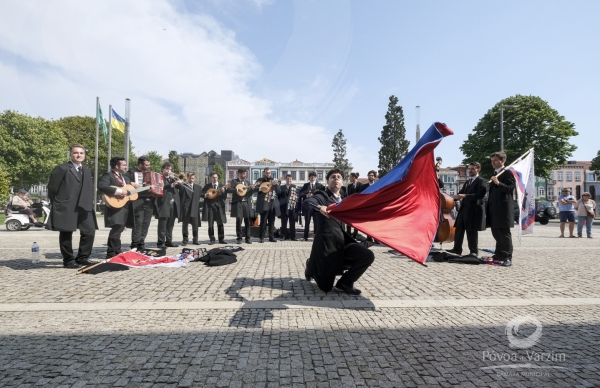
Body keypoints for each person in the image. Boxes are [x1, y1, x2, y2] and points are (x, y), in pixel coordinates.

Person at [304, 168, 375, 295]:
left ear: (342, 182)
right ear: (327, 181)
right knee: (326, 287)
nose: (336, 179)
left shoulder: (346, 200)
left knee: (367, 255)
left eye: (339, 177)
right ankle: (312, 266)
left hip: (342, 242)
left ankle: (345, 283)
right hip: (327, 246)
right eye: (333, 177)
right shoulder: (322, 195)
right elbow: (308, 202)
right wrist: (320, 207)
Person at [46, 144, 98, 268]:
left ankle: (83, 257)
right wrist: (59, 202)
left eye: (81, 153)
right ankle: (68, 260)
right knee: (66, 233)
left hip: (84, 206)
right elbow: (52, 189)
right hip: (66, 206)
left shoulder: (85, 170)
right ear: (70, 154)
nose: (79, 155)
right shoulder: (62, 168)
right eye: (76, 153)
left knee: (89, 231)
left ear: (84, 155)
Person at [447, 162, 487, 256]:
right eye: (469, 169)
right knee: (459, 229)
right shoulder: (467, 182)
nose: (470, 171)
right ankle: (457, 249)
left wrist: (465, 195)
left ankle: (473, 251)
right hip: (463, 209)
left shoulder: (481, 181)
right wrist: (451, 197)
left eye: (472, 169)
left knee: (471, 231)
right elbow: (460, 194)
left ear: (478, 169)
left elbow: (480, 195)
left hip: (473, 210)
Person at [98, 157, 134, 258]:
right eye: (124, 165)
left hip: (124, 207)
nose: (126, 167)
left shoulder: (125, 178)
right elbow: (102, 186)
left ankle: (117, 250)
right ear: (117, 166)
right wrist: (119, 191)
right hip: (115, 205)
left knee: (120, 228)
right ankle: (111, 252)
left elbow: (128, 190)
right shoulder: (109, 175)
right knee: (116, 228)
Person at [486, 151, 516, 267]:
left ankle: (508, 257)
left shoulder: (508, 173)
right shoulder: (494, 173)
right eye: (491, 161)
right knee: (496, 233)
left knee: (504, 234)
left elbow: (510, 188)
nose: (492, 163)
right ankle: (499, 254)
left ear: (502, 161)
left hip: (503, 209)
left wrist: (498, 183)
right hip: (494, 209)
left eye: (495, 161)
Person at [125, 156, 154, 251]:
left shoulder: (150, 174)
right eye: (146, 165)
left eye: (149, 165)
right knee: (138, 222)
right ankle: (135, 244)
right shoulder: (132, 173)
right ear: (140, 165)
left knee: (146, 223)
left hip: (148, 200)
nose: (148, 167)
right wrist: (131, 183)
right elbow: (123, 180)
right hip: (138, 200)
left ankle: (142, 243)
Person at [154, 162, 181, 248]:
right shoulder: (160, 178)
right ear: (163, 169)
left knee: (170, 224)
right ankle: (160, 242)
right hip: (164, 203)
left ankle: (169, 241)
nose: (168, 171)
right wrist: (172, 184)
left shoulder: (172, 179)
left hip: (173, 204)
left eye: (169, 169)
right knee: (163, 224)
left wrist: (178, 181)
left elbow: (180, 187)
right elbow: (162, 187)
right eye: (166, 169)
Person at [227, 168, 256, 244]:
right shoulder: (234, 182)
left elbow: (249, 194)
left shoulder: (247, 182)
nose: (245, 175)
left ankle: (248, 238)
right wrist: (237, 190)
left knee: (247, 221)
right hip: (238, 203)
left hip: (246, 203)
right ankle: (239, 238)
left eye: (245, 174)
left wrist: (252, 189)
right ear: (239, 174)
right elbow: (229, 190)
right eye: (243, 174)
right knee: (239, 220)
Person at [255, 167, 281, 243]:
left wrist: (276, 185)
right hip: (264, 204)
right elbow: (254, 189)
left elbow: (279, 192)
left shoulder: (274, 180)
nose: (268, 174)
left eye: (269, 173)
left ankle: (271, 237)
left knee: (272, 221)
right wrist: (261, 188)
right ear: (264, 173)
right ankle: (262, 237)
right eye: (267, 173)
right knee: (263, 221)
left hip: (272, 204)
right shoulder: (260, 180)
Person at [202, 172, 228, 245]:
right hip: (210, 207)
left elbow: (224, 197)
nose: (214, 179)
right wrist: (206, 194)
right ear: (210, 178)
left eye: (216, 177)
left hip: (219, 207)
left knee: (220, 224)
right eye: (213, 177)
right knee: (210, 224)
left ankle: (221, 239)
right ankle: (212, 239)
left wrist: (223, 192)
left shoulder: (221, 186)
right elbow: (201, 194)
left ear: (218, 178)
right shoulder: (207, 186)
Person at [299, 171, 325, 241]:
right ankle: (305, 236)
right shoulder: (305, 185)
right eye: (311, 176)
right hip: (308, 207)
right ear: (309, 177)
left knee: (316, 222)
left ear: (316, 177)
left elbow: (323, 194)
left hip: (316, 207)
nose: (312, 178)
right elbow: (300, 194)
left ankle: (316, 236)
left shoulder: (320, 186)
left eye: (314, 176)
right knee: (307, 222)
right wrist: (306, 195)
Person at [179, 172, 202, 245]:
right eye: (190, 178)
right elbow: (178, 188)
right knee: (185, 225)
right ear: (187, 178)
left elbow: (202, 195)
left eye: (192, 178)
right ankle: (185, 240)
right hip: (186, 208)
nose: (191, 180)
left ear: (194, 178)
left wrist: (208, 195)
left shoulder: (198, 187)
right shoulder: (183, 186)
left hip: (194, 208)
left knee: (195, 225)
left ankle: (195, 239)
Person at [279, 174, 299, 240]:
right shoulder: (281, 187)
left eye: (290, 179)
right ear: (285, 180)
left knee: (292, 222)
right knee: (284, 222)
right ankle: (284, 236)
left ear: (292, 180)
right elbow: (279, 197)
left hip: (292, 208)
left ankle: (293, 237)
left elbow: (297, 197)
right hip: (284, 208)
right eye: (287, 179)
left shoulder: (295, 187)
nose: (289, 180)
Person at [345, 172, 363, 237]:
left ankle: (355, 234)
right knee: (348, 220)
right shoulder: (349, 186)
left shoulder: (361, 185)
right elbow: (348, 195)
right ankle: (348, 234)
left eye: (350, 177)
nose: (349, 178)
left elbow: (361, 195)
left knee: (356, 220)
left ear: (354, 177)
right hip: (350, 205)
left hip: (357, 205)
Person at [364, 170, 379, 244]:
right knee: (368, 223)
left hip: (375, 206)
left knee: (375, 223)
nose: (370, 176)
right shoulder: (364, 186)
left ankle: (376, 238)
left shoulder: (378, 185)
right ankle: (369, 238)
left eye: (372, 175)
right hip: (367, 207)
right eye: (369, 175)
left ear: (374, 177)